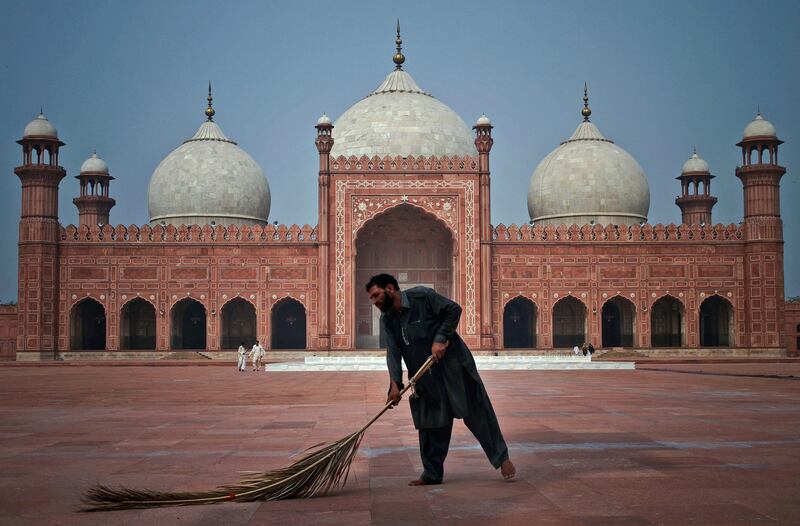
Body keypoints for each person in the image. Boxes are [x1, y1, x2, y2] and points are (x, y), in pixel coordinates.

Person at [366, 273, 515, 486]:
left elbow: (454, 309)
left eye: (376, 295)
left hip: (454, 366)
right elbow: (393, 351)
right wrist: (394, 385)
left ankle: (502, 459)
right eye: (371, 298)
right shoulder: (388, 319)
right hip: (424, 374)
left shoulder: (422, 297)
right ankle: (432, 473)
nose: (375, 301)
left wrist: (440, 338)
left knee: (477, 412)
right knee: (430, 422)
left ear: (390, 288)